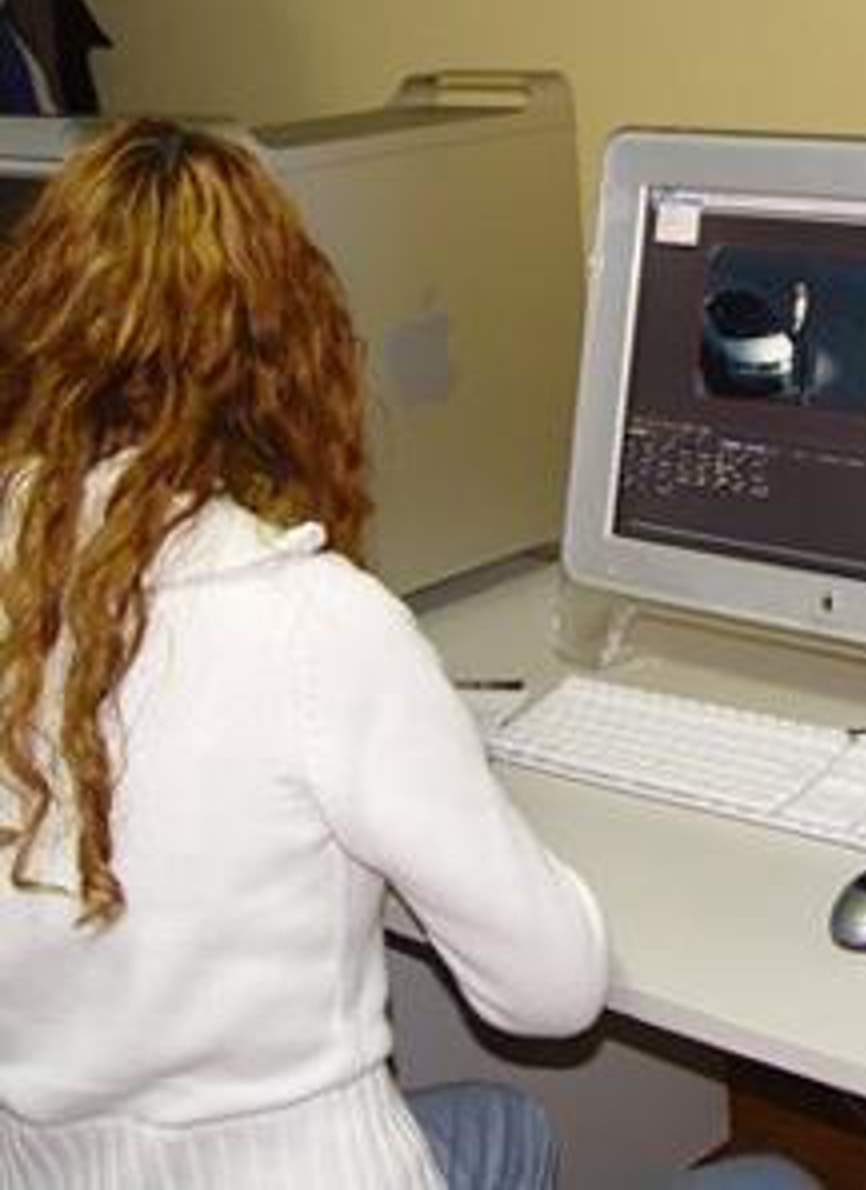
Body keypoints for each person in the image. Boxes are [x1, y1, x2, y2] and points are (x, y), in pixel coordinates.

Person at [0, 117, 821, 1190]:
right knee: (774, 1182)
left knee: (505, 1124)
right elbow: (552, 995)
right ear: (286, 360)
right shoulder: (314, 627)